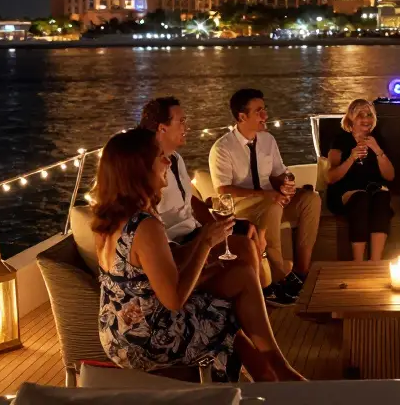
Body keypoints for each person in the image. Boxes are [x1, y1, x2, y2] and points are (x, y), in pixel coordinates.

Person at [92, 128, 304, 382]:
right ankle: (276, 373)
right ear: (141, 169)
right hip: (145, 339)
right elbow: (174, 300)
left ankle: (269, 372)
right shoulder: (146, 226)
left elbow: (151, 269)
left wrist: (204, 244)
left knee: (240, 274)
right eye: (160, 157)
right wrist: (205, 243)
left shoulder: (107, 219)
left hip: (116, 331)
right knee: (225, 306)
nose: (168, 162)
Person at [139, 96, 268, 288]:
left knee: (250, 228)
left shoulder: (175, 159)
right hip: (178, 241)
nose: (186, 127)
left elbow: (189, 200)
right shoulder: (147, 169)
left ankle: (261, 288)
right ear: (162, 127)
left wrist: (217, 224)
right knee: (244, 246)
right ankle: (255, 295)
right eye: (181, 121)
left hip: (194, 230)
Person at [210, 88, 320, 305]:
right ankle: (280, 277)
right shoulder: (222, 148)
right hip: (243, 207)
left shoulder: (268, 140)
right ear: (242, 117)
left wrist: (286, 183)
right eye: (259, 111)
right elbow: (223, 190)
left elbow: (278, 173)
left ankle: (302, 272)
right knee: (273, 205)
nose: (265, 116)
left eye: (264, 110)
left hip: (271, 200)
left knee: (311, 199)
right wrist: (267, 195)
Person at [325, 99, 396, 261]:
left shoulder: (377, 139)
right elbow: (331, 177)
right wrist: (351, 157)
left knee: (382, 197)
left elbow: (390, 176)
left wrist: (378, 151)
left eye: (369, 115)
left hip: (372, 189)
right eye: (360, 115)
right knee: (361, 198)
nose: (366, 119)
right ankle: (358, 264)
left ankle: (375, 262)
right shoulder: (340, 140)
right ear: (351, 118)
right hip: (345, 192)